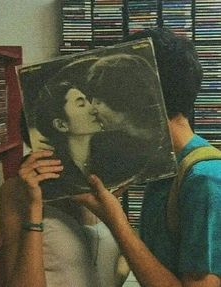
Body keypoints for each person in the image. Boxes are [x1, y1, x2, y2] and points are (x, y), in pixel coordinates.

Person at [74, 27, 221, 287]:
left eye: (114, 92)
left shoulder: (203, 179)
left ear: (143, 95)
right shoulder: (164, 166)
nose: (96, 109)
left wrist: (116, 220)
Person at [0, 60, 129, 286]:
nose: (93, 108)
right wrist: (34, 209)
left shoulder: (106, 181)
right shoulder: (18, 191)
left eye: (89, 100)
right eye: (81, 103)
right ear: (61, 125)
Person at [85, 53, 176, 188]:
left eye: (99, 101)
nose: (92, 108)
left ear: (122, 100)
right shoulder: (103, 146)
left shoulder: (167, 150)